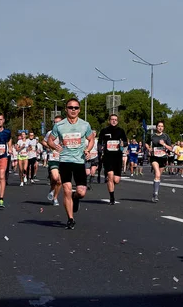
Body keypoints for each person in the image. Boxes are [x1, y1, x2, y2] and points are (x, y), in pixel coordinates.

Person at [47, 98, 95, 229]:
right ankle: (70, 219)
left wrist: (88, 149)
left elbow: (91, 139)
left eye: (76, 107)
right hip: (65, 161)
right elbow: (50, 140)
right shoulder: (59, 125)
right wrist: (55, 147)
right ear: (66, 109)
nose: (73, 110)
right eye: (70, 107)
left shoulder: (85, 125)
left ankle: (76, 198)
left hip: (79, 161)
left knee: (81, 192)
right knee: (67, 190)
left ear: (79, 110)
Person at [98, 114, 128, 205]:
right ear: (109, 120)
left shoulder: (121, 131)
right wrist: (100, 152)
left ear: (117, 121)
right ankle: (112, 198)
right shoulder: (104, 131)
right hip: (108, 157)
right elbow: (99, 143)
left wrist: (123, 144)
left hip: (117, 157)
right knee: (110, 176)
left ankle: (111, 184)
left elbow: (126, 142)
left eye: (115, 119)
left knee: (116, 180)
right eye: (112, 119)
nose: (114, 121)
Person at [145, 121, 172, 203]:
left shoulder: (166, 136)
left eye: (162, 126)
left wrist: (164, 144)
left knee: (158, 176)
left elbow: (170, 148)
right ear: (156, 127)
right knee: (157, 174)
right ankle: (156, 194)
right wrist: (149, 148)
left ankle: (154, 192)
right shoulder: (152, 135)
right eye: (159, 126)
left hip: (163, 158)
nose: (160, 128)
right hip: (154, 157)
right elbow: (146, 143)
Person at [42, 115, 63, 206]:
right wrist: (50, 147)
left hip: (64, 158)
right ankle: (52, 189)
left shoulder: (66, 133)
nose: (57, 124)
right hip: (53, 158)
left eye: (59, 122)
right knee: (55, 177)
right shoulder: (50, 133)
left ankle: (55, 197)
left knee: (59, 181)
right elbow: (43, 141)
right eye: (55, 122)